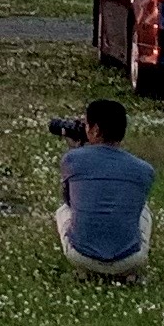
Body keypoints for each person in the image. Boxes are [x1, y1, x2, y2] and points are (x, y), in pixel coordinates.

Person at [54, 96, 155, 281]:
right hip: (131, 259)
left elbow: (70, 201)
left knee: (63, 211)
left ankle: (85, 272)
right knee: (144, 211)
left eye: (86, 125)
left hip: (81, 256)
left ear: (95, 129)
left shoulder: (72, 160)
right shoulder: (144, 169)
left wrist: (76, 149)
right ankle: (128, 274)